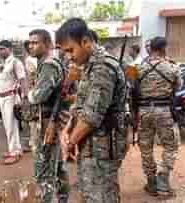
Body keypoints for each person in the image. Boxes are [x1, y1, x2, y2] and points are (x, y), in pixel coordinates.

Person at [56, 18, 127, 202]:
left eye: (71, 50)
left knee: (101, 195)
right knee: (90, 192)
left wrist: (69, 143)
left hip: (103, 149)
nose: (69, 56)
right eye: (65, 52)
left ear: (86, 41)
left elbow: (91, 117)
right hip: (92, 146)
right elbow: (80, 104)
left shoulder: (103, 67)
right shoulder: (89, 67)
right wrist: (67, 129)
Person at [133, 37, 181, 197]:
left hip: (144, 111)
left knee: (145, 147)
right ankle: (163, 180)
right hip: (164, 111)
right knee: (171, 146)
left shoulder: (139, 68)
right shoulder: (172, 67)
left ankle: (151, 181)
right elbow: (178, 86)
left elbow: (133, 89)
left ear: (150, 48)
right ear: (164, 48)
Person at [26, 29, 70, 203]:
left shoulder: (49, 64)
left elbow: (38, 96)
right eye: (30, 43)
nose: (31, 46)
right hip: (50, 119)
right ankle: (63, 198)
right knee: (57, 166)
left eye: (35, 42)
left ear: (47, 44)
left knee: (43, 170)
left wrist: (28, 94)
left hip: (47, 123)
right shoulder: (48, 63)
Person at [0, 40, 27, 165]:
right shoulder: (3, 63)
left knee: (11, 126)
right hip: (2, 98)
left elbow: (23, 80)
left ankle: (14, 152)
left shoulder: (15, 62)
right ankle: (14, 149)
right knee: (7, 125)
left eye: (2, 49)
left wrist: (25, 97)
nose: (0, 51)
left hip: (11, 97)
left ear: (9, 49)